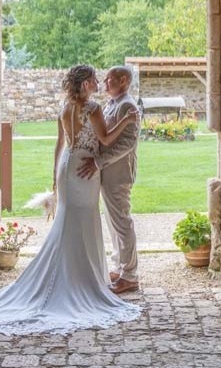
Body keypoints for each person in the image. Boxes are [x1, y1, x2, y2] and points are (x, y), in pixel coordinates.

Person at [0, 64, 142, 335]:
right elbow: (106, 139)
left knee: (68, 220)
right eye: (95, 79)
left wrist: (55, 179)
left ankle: (76, 274)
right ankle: (83, 279)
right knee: (84, 220)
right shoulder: (93, 109)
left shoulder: (65, 107)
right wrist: (127, 120)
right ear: (85, 84)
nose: (99, 81)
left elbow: (59, 145)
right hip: (86, 169)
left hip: (67, 167)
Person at [77, 65, 141, 293]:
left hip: (118, 173)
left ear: (123, 80)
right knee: (113, 222)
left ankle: (131, 275)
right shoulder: (113, 104)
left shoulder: (127, 106)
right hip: (108, 173)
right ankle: (120, 267)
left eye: (109, 79)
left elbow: (126, 144)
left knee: (122, 222)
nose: (104, 83)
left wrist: (98, 162)